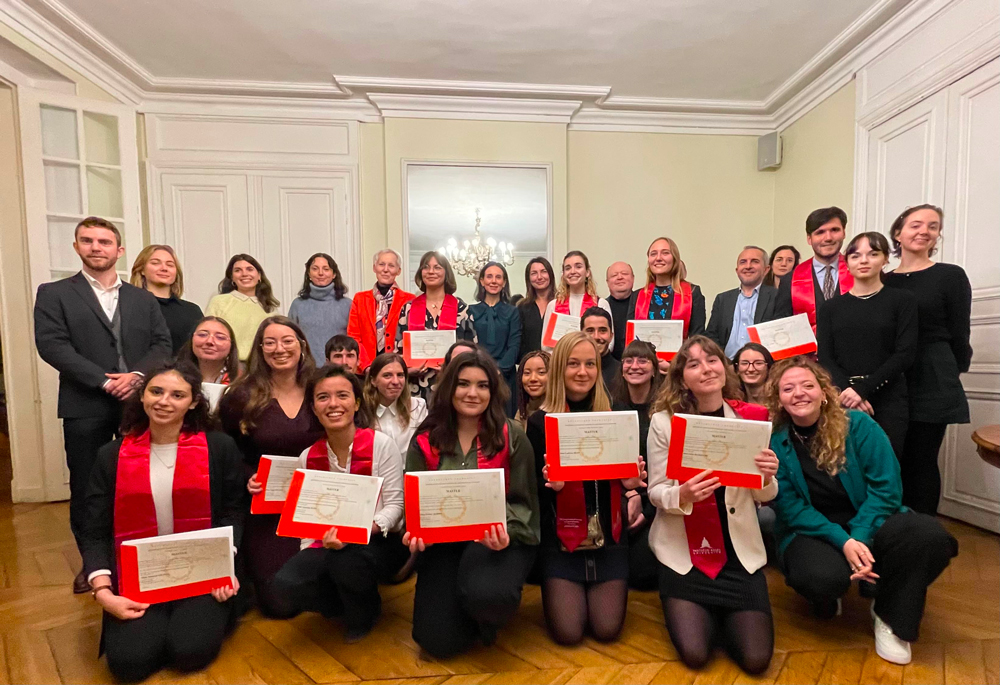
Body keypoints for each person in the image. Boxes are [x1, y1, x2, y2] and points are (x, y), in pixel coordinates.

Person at [766, 356, 957, 665]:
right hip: (814, 529)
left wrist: (859, 536)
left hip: (870, 518)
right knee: (820, 578)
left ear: (824, 392)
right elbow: (790, 508)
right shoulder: (776, 441)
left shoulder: (859, 425)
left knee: (929, 537)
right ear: (779, 399)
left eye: (807, 385)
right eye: (788, 388)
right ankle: (830, 593)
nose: (799, 393)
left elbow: (887, 489)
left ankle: (889, 614)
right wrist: (844, 542)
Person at [80, 362, 244, 682]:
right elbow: (95, 529)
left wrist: (226, 564)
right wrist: (103, 593)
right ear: (142, 397)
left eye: (177, 394)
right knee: (130, 664)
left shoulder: (219, 448)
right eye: (156, 391)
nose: (164, 401)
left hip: (202, 572)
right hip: (137, 577)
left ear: (194, 401)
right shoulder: (111, 456)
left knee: (189, 653)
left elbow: (232, 513)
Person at [34, 216, 172, 594]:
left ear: (119, 250)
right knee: (88, 485)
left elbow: (161, 345)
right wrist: (103, 379)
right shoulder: (54, 293)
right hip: (85, 403)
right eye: (88, 241)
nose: (97, 247)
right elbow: (52, 345)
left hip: (141, 403)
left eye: (105, 241)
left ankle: (143, 552)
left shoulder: (142, 299)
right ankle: (94, 564)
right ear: (77, 247)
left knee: (144, 480)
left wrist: (137, 377)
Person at [644, 335, 778, 674]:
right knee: (695, 655)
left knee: (756, 660)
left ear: (725, 367)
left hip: (737, 557)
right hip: (683, 557)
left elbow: (766, 496)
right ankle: (699, 610)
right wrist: (683, 495)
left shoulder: (750, 420)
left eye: (713, 360)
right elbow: (656, 492)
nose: (706, 369)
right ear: (680, 378)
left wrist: (766, 476)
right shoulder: (663, 422)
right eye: (693, 364)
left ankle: (724, 614)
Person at [404, 350, 540, 658]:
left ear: (493, 391)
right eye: (463, 384)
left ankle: (485, 615)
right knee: (435, 642)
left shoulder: (512, 437)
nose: (472, 393)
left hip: (498, 541)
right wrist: (415, 531)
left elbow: (525, 504)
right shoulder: (425, 439)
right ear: (449, 387)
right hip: (445, 543)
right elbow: (416, 500)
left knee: (490, 596)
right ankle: (463, 613)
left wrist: (506, 533)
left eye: (482, 385)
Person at [266, 365, 407, 641]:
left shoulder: (381, 445)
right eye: (323, 397)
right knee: (284, 587)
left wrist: (359, 531)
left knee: (346, 563)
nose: (333, 404)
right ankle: (340, 604)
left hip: (378, 541)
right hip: (326, 541)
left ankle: (365, 610)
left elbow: (395, 508)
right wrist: (307, 555)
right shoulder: (308, 457)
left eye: (342, 395)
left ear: (356, 403)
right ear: (314, 408)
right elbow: (308, 520)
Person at [526, 331, 646, 646]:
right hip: (561, 539)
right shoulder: (540, 422)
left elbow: (629, 478)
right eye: (573, 364)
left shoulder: (616, 415)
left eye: (590, 364)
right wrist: (551, 485)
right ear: (559, 370)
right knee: (568, 634)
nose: (583, 372)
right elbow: (531, 490)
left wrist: (632, 487)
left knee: (607, 630)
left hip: (609, 536)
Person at [219, 316, 323, 617]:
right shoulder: (240, 395)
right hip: (268, 508)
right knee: (280, 604)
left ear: (301, 345)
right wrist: (247, 476)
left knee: (328, 585)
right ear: (260, 349)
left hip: (317, 504)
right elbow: (227, 452)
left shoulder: (320, 386)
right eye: (270, 342)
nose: (280, 348)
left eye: (287, 340)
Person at [884, 205, 972, 514]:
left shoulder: (950, 276)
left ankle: (923, 536)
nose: (924, 231)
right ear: (898, 232)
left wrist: (951, 370)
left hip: (933, 375)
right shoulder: (882, 280)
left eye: (933, 226)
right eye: (916, 224)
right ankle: (891, 531)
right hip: (891, 378)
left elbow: (960, 333)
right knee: (889, 459)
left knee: (921, 460)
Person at [817, 232, 918, 459]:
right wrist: (847, 392)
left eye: (872, 254)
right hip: (842, 397)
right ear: (847, 263)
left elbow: (905, 354)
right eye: (856, 256)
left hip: (889, 397)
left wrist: (863, 390)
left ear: (885, 260)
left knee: (887, 466)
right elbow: (825, 356)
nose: (863, 260)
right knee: (844, 467)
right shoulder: (831, 308)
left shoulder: (902, 300)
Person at [612, 340, 664, 591]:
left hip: (657, 499)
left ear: (655, 369)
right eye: (629, 361)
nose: (635, 366)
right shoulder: (610, 407)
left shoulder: (668, 412)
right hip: (621, 492)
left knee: (642, 575)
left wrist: (647, 509)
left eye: (642, 360)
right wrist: (629, 493)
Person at [396, 251, 477, 400]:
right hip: (415, 386)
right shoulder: (408, 308)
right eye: (426, 267)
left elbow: (472, 349)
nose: (431, 271)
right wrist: (407, 368)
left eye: (437, 267)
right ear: (421, 273)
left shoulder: (461, 308)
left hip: (452, 382)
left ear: (446, 273)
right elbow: (398, 349)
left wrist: (452, 366)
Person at [776, 207, 853, 329]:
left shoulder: (859, 273)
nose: (828, 238)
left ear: (844, 233)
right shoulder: (790, 280)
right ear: (809, 238)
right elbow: (782, 327)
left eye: (834, 230)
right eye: (820, 232)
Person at [346, 249, 416, 371]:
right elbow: (353, 337)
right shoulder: (360, 299)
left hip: (398, 368)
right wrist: (366, 366)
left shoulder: (410, 300)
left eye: (391, 265)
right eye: (381, 264)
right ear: (374, 268)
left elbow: (412, 338)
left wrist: (402, 366)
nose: (385, 269)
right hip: (366, 369)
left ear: (398, 271)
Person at [706, 246, 780, 358]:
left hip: (763, 365)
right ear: (737, 270)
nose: (748, 266)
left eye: (754, 261)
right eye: (743, 262)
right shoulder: (723, 299)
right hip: (727, 365)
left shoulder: (777, 297)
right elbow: (711, 336)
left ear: (766, 269)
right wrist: (722, 363)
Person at [469, 261, 522, 417]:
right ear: (482, 281)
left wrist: (498, 370)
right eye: (489, 277)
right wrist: (481, 370)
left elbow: (514, 344)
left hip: (505, 377)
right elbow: (469, 344)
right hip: (477, 373)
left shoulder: (513, 312)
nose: (493, 281)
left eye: (498, 277)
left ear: (504, 282)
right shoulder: (470, 310)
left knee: (504, 421)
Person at [129, 244, 203, 353]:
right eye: (155, 263)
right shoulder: (130, 307)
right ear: (142, 270)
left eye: (170, 265)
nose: (164, 268)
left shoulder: (192, 311)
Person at [205, 254, 279, 362]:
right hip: (227, 365)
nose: (244, 274)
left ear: (259, 276)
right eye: (238, 270)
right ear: (232, 278)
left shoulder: (270, 308)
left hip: (261, 367)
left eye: (249, 269)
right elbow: (209, 335)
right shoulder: (219, 302)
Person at [631, 237, 706, 339]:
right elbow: (630, 336)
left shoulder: (692, 293)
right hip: (643, 354)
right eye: (653, 254)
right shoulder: (637, 296)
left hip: (681, 354)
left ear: (675, 258)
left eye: (665, 253)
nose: (658, 258)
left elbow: (697, 337)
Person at [288, 253, 353, 366]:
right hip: (306, 370)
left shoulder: (347, 305)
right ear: (308, 274)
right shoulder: (298, 305)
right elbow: (290, 338)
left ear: (334, 274)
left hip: (339, 370)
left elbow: (353, 341)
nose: (320, 273)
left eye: (326, 269)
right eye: (315, 269)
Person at [541, 251, 614, 353]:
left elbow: (610, 343)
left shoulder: (601, 304)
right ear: (563, 275)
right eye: (568, 268)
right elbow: (545, 346)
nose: (572, 271)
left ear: (587, 272)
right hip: (561, 364)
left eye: (578, 267)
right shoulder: (553, 306)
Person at [363, 352, 428, 458]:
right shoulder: (362, 410)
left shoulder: (418, 407)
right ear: (373, 381)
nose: (395, 381)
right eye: (387, 375)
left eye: (400, 375)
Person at [177, 316, 241, 384]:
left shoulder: (242, 380)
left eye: (220, 337)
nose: (209, 341)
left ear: (231, 345)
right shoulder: (172, 376)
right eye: (202, 335)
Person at [517, 257, 555, 361]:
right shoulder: (522, 307)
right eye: (534, 273)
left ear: (550, 275)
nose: (539, 277)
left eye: (543, 272)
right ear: (528, 278)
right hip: (530, 365)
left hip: (557, 365)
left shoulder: (561, 304)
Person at [581, 306, 622, 397]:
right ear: (581, 334)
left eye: (602, 331)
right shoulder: (573, 372)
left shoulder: (623, 372)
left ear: (611, 336)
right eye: (590, 331)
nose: (596, 337)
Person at [606, 261, 638, 361]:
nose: (620, 277)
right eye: (614, 275)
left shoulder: (644, 305)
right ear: (607, 282)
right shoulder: (601, 306)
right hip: (609, 366)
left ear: (633, 278)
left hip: (638, 363)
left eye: (624, 274)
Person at [516, 350, 550, 427]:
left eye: (541, 372)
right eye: (527, 373)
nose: (533, 378)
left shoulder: (560, 410)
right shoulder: (523, 410)